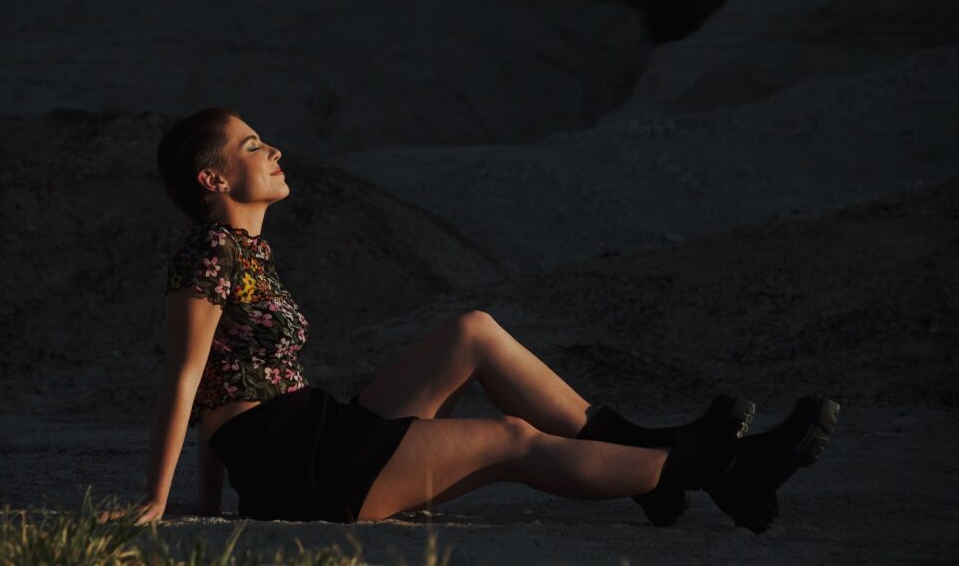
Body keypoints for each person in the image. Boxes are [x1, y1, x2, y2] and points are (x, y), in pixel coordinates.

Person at [99, 106, 839, 533]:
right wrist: (160, 502)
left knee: (473, 331)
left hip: (312, 432)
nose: (274, 149)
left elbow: (222, 378)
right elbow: (187, 380)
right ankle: (726, 470)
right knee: (511, 440)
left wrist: (211, 501)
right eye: (253, 145)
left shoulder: (243, 251)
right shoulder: (209, 251)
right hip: (303, 467)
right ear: (214, 177)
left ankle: (648, 456)